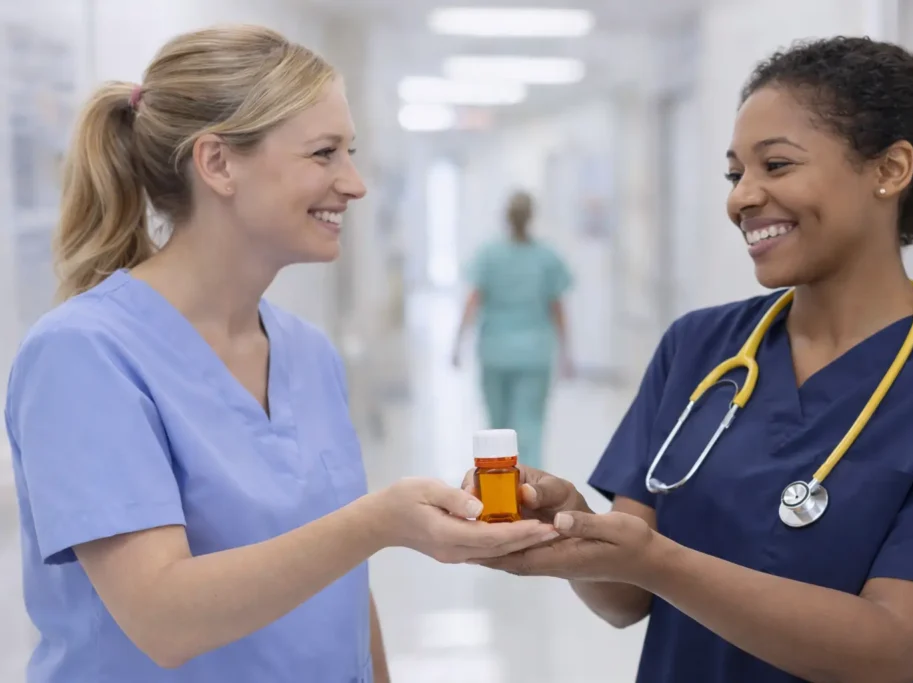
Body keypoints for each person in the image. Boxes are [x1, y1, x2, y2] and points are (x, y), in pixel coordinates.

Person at [3, 25, 558, 683]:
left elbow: (341, 587)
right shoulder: (84, 357)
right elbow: (163, 618)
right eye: (324, 153)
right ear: (217, 163)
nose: (354, 184)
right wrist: (377, 523)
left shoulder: (307, 353)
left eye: (349, 151)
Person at [467, 36, 913, 682]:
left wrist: (659, 561)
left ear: (890, 170)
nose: (741, 198)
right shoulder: (699, 348)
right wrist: (573, 530)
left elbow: (891, 646)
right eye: (735, 174)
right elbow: (626, 597)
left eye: (776, 166)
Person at [451, 190, 573, 469]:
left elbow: (473, 301)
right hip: (535, 353)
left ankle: (500, 485)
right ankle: (531, 489)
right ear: (531, 217)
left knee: (498, 427)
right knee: (529, 425)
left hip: (496, 351)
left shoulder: (488, 254)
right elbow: (557, 308)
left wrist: (457, 344)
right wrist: (567, 353)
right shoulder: (546, 257)